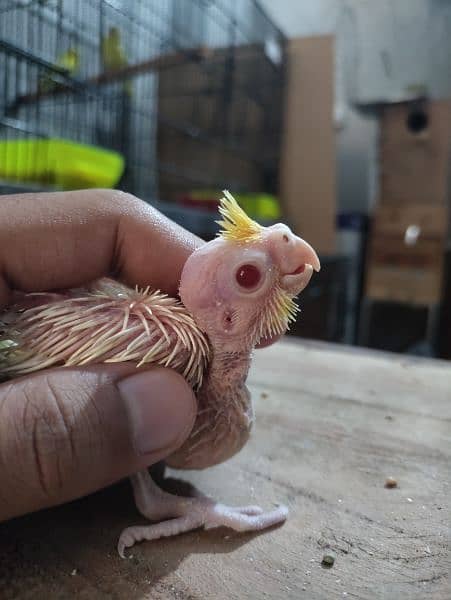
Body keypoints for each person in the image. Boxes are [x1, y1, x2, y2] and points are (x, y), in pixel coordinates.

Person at [0, 189, 276, 523]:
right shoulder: (173, 343)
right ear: (228, 317)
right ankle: (148, 491)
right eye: (248, 276)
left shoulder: (202, 364)